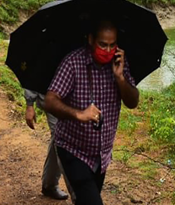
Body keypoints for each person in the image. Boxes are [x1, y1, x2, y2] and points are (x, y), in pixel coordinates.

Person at [45, 19, 140, 205]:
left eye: (112, 45)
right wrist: (78, 114)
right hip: (73, 150)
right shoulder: (73, 63)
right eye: (102, 44)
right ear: (91, 40)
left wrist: (120, 78)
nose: (107, 50)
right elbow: (50, 100)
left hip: (101, 154)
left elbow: (133, 101)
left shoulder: (119, 63)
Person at [23, 0, 77, 201]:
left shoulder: (77, 34)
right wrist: (29, 104)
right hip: (50, 99)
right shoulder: (46, 36)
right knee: (64, 143)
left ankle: (48, 185)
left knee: (59, 139)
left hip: (70, 100)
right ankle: (79, 194)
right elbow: (33, 71)